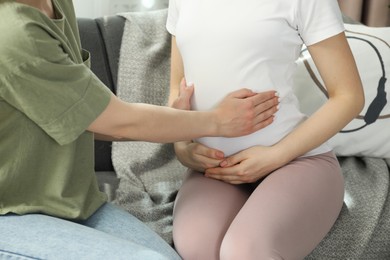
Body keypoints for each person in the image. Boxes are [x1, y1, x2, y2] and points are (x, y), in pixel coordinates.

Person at [0, 0, 279, 259]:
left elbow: (85, 116)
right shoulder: (13, 32)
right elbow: (118, 122)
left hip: (71, 203)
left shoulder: (54, 4)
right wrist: (218, 121)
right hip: (9, 214)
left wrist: (179, 120)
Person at [166, 0, 365, 259]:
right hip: (217, 169)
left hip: (296, 161)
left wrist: (275, 155)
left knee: (244, 251)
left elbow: (349, 96)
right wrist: (181, 145)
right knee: (197, 248)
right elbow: (178, 90)